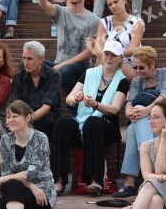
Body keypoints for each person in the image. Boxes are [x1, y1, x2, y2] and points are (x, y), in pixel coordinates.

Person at [51, 41, 129, 195]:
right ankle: (59, 180)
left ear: (120, 59)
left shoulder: (123, 81)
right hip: (82, 122)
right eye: (106, 53)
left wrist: (95, 104)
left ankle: (96, 180)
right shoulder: (89, 73)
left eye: (113, 55)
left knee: (93, 122)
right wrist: (76, 99)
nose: (109, 57)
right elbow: (69, 99)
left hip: (107, 127)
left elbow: (114, 109)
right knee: (62, 123)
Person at [117, 45, 166, 198]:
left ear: (153, 64)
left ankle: (132, 180)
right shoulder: (136, 81)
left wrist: (146, 111)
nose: (138, 70)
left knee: (137, 119)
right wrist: (129, 111)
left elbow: (164, 99)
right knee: (132, 128)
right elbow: (130, 101)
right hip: (146, 123)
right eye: (135, 67)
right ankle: (136, 179)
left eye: (142, 67)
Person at [11, 41, 62, 139]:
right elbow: (16, 104)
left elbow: (47, 108)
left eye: (29, 59)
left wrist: (26, 120)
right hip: (24, 117)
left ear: (41, 58)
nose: (25, 63)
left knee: (47, 122)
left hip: (47, 117)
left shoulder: (54, 75)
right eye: (24, 58)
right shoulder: (18, 77)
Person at [94, 0, 145, 80]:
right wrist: (108, 58)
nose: (113, 6)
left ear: (124, 0)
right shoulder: (104, 22)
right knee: (99, 63)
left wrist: (113, 57)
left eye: (116, 2)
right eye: (110, 4)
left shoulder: (137, 22)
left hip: (128, 62)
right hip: (106, 61)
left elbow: (131, 50)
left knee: (110, 66)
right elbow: (97, 49)